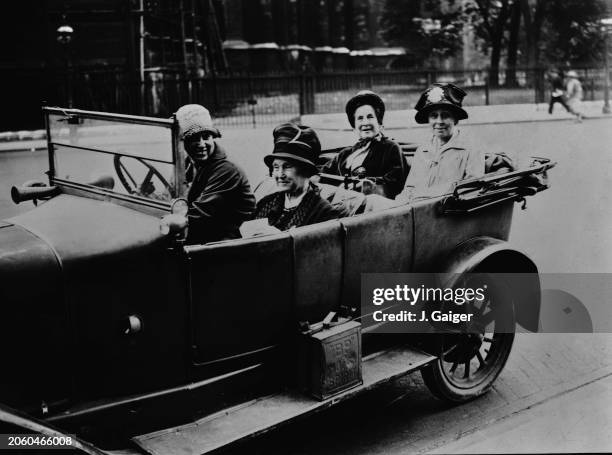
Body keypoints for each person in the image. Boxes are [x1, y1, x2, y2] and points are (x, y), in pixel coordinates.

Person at [176, 104, 255, 244]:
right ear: (184, 142)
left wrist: (169, 221)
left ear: (213, 137)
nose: (201, 144)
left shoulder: (227, 170)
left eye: (206, 137)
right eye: (193, 138)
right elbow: (174, 193)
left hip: (231, 240)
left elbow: (201, 212)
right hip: (206, 231)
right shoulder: (190, 163)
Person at [245, 123, 344, 235]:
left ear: (305, 170)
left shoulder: (323, 213)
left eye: (287, 166)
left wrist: (280, 239)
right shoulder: (266, 203)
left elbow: (323, 250)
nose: (280, 174)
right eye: (276, 167)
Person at [396, 83, 484, 203]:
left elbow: (470, 192)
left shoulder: (470, 149)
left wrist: (425, 196)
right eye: (434, 116)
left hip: (448, 215)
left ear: (455, 119)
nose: (439, 121)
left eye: (445, 115)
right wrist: (400, 202)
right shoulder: (423, 150)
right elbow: (410, 188)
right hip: (416, 212)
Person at [321, 90, 407, 199]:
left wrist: (365, 185)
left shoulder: (391, 148)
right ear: (354, 127)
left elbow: (396, 183)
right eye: (360, 118)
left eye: (370, 117)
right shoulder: (344, 155)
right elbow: (323, 176)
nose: (365, 123)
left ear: (379, 123)